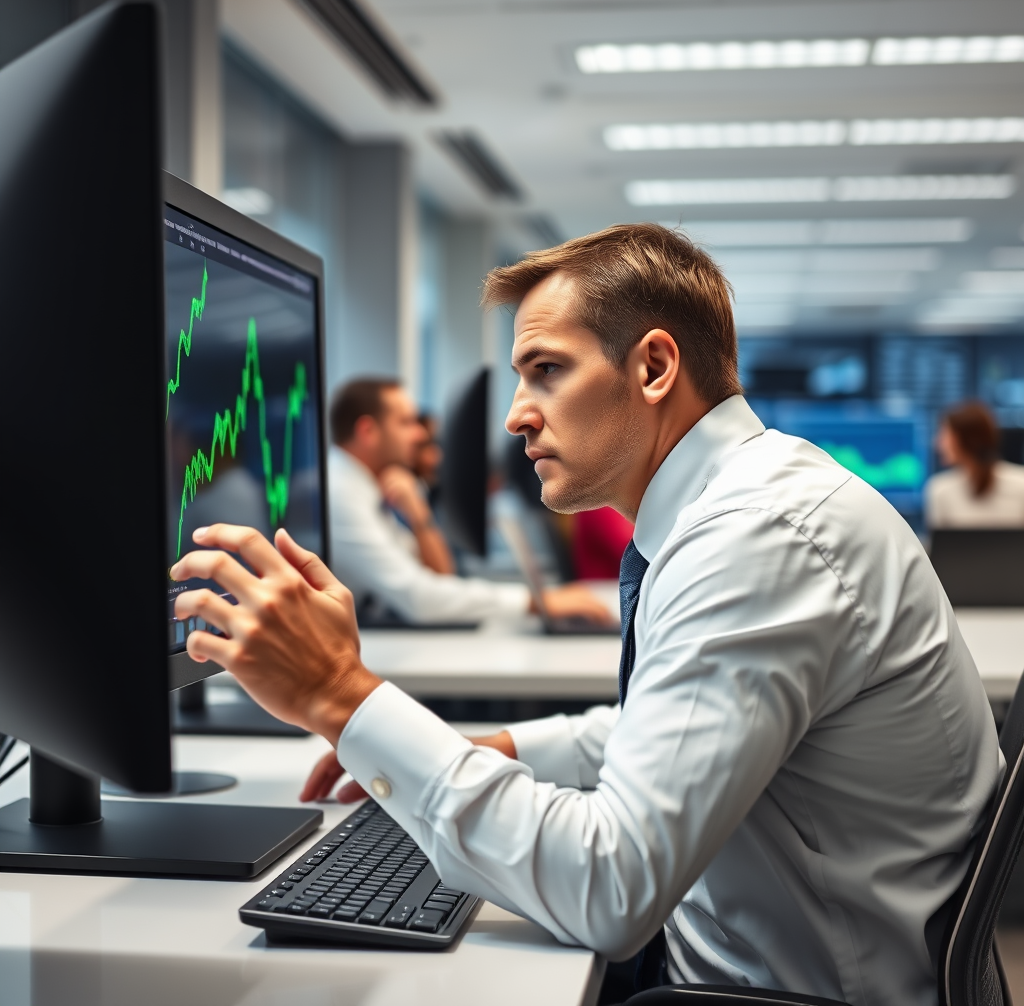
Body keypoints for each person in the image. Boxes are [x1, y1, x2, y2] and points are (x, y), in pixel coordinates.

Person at [169, 224, 999, 1006]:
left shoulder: (758, 538)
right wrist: (495, 746)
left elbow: (610, 890)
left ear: (653, 368)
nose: (516, 413)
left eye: (546, 370)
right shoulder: (742, 504)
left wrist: (342, 695)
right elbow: (668, 727)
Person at [327, 377, 610, 626]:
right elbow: (418, 599)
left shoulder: (366, 489)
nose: (421, 435)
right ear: (367, 432)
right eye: (405, 422)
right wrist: (535, 602)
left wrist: (419, 515)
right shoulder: (339, 493)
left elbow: (439, 576)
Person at [925, 400, 1024, 528]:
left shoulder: (1020, 485)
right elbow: (938, 545)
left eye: (944, 435)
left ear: (967, 439)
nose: (937, 443)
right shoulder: (940, 490)